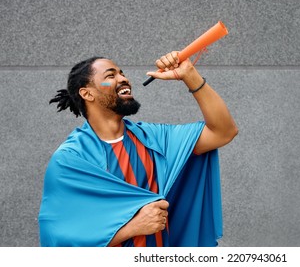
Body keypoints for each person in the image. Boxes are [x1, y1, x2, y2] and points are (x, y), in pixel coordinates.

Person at [38, 52, 238, 247]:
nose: (123, 79)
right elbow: (59, 240)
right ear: (87, 93)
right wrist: (133, 228)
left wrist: (189, 75)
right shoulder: (70, 160)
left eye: (122, 73)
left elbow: (223, 132)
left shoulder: (154, 139)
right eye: (111, 75)